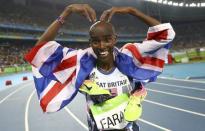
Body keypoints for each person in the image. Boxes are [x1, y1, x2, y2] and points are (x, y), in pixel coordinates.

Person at [24, 4, 175, 131]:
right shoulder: (82, 64)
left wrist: (132, 11)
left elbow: (165, 34)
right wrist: (67, 11)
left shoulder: (129, 59)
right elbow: (41, 50)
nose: (102, 46)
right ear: (90, 43)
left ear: (115, 39)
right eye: (96, 41)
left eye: (107, 40)